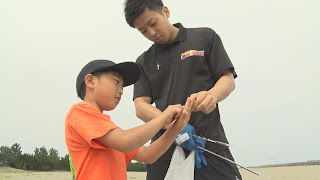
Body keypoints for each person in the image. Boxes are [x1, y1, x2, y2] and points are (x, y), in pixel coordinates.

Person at [124, 0, 242, 179]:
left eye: (152, 23)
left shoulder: (205, 37)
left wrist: (212, 95)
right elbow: (140, 106)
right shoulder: (143, 62)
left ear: (165, 11)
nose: (151, 33)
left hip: (209, 145)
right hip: (164, 151)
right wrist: (174, 125)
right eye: (143, 31)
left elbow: (227, 79)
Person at [65, 59, 195, 180]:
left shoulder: (110, 134)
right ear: (90, 81)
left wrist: (175, 128)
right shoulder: (79, 112)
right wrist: (164, 117)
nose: (121, 91)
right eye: (116, 82)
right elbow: (125, 141)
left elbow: (148, 155)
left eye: (122, 87)